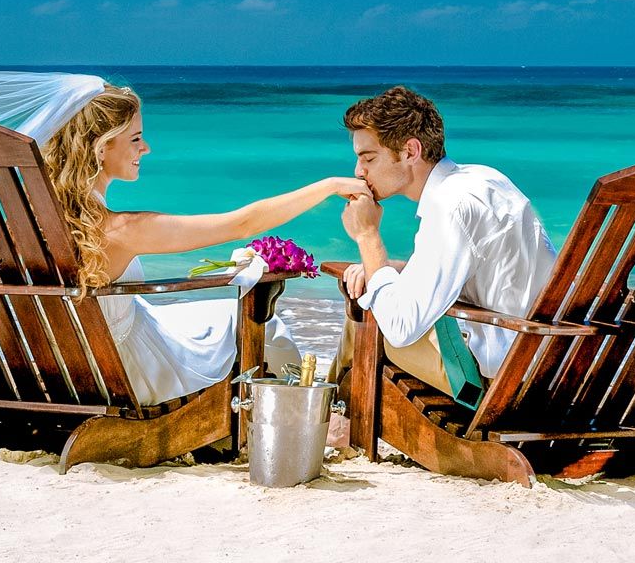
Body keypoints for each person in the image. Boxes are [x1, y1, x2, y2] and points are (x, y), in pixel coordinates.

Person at [45, 84, 369, 404]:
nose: (145, 149)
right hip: (125, 373)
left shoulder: (33, 225)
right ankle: (302, 414)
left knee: (209, 317)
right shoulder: (123, 230)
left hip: (59, 369)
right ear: (101, 149)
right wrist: (328, 186)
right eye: (135, 139)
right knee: (267, 324)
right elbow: (242, 223)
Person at [335, 86, 556, 412]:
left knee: (369, 313)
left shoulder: (449, 206)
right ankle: (334, 415)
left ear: (410, 151)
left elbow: (400, 328)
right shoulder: (485, 180)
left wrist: (368, 237)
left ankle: (333, 419)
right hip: (554, 362)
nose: (358, 172)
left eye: (368, 158)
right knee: (377, 288)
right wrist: (393, 269)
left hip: (510, 381)